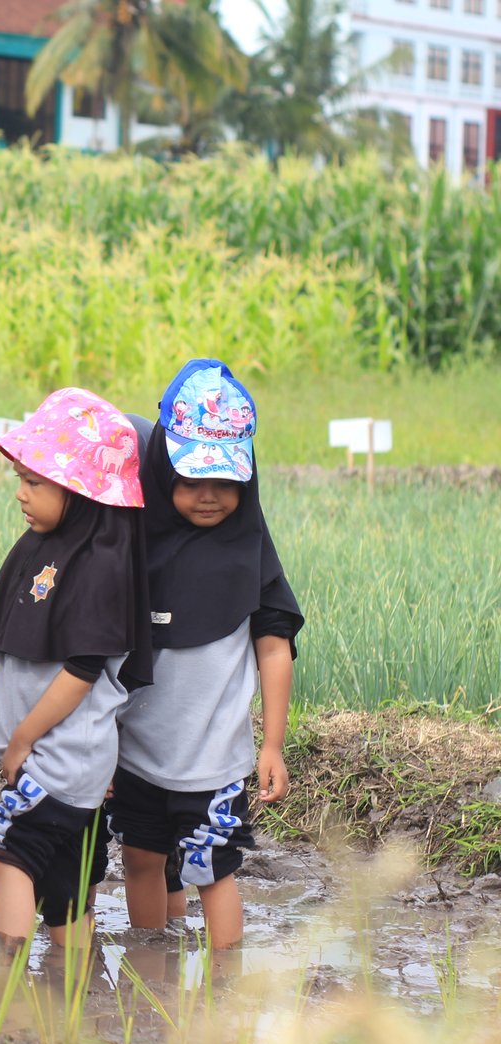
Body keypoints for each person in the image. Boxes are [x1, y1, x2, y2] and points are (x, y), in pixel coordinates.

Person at [0, 387, 153, 956]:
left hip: (57, 762)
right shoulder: (53, 549)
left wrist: (22, 739)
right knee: (65, 893)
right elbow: (11, 628)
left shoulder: (98, 566)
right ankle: (76, 1000)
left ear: (82, 491)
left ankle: (2, 996)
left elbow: (82, 670)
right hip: (74, 768)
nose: (21, 495)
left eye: (35, 482)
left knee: (7, 857)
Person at [109, 360, 302, 950]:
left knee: (213, 873)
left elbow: (274, 646)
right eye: (192, 480)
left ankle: (227, 991)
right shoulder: (133, 543)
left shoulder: (249, 551)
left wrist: (271, 744)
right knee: (141, 861)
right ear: (162, 467)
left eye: (224, 481)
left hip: (213, 763)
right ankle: (151, 987)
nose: (210, 496)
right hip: (137, 753)